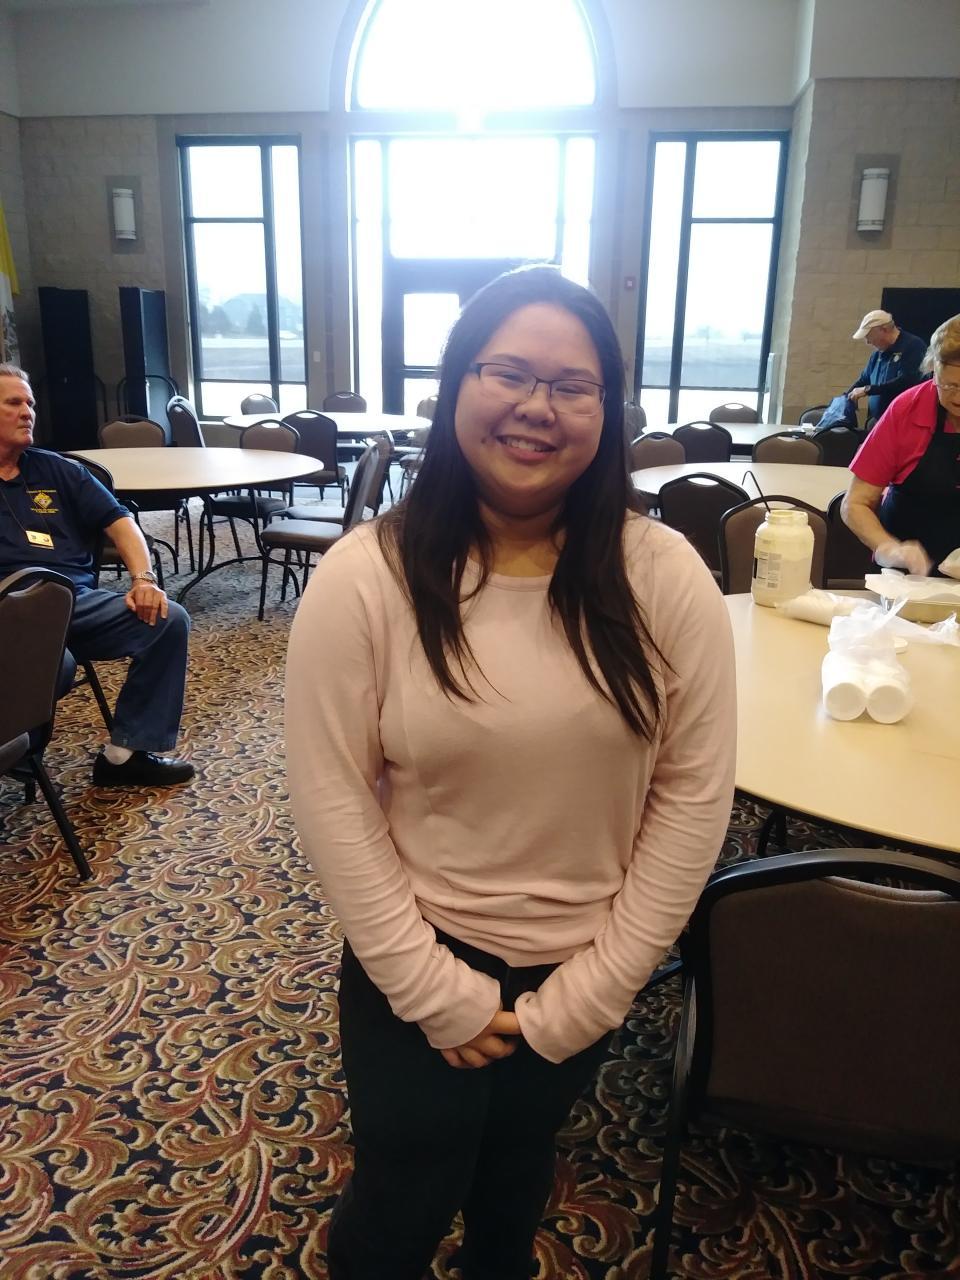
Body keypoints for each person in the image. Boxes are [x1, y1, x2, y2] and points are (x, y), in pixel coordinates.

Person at [285, 266, 736, 1280]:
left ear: (607, 411)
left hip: (585, 961)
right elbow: (333, 796)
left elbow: (693, 795)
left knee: (518, 1175)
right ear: (456, 386)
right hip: (417, 947)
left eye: (573, 386)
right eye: (509, 373)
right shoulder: (368, 574)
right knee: (402, 1196)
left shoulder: (663, 574)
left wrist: (598, 989)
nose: (539, 406)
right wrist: (428, 985)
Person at [0, 363, 193, 785]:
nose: (27, 412)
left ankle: (125, 755)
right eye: (14, 403)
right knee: (57, 664)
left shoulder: (58, 470)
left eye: (30, 404)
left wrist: (144, 580)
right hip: (6, 608)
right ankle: (17, 750)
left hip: (74, 602)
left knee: (167, 619)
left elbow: (122, 523)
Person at [842, 314, 960, 576]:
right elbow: (855, 504)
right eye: (949, 384)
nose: (958, 397)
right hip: (905, 578)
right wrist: (888, 548)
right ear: (933, 369)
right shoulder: (907, 410)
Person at [846, 309, 926, 423]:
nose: (868, 342)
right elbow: (864, 379)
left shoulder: (913, 346)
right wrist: (845, 397)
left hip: (903, 421)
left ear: (884, 329)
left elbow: (906, 381)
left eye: (868, 336)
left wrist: (868, 390)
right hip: (878, 419)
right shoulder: (877, 353)